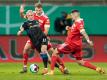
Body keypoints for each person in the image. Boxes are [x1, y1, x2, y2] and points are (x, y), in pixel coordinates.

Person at [46, 10, 105, 75]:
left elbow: (83, 32)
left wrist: (88, 40)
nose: (71, 17)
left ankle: (51, 72)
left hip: (70, 43)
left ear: (75, 14)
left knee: (54, 53)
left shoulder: (78, 22)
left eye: (72, 15)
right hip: (78, 45)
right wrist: (70, 28)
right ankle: (97, 69)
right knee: (80, 61)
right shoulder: (79, 21)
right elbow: (76, 30)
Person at [19, 3, 69, 74]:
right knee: (25, 49)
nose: (37, 12)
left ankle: (63, 67)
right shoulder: (32, 14)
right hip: (33, 38)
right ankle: (24, 67)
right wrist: (21, 12)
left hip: (41, 38)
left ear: (42, 9)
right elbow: (23, 17)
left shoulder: (46, 18)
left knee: (52, 53)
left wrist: (41, 38)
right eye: (36, 10)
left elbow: (45, 31)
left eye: (39, 10)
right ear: (35, 9)